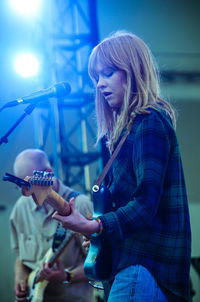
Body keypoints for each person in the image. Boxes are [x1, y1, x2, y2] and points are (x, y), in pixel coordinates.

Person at [52, 31, 191, 302]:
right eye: (96, 78)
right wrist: (98, 231)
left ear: (133, 70)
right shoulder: (130, 130)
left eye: (108, 73)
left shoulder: (148, 122)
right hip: (135, 267)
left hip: (142, 267)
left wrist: (96, 226)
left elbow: (145, 205)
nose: (100, 85)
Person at [9, 148, 94, 302]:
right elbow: (20, 258)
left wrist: (67, 276)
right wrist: (20, 281)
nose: (24, 193)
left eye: (28, 185)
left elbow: (97, 262)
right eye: (20, 186)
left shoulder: (80, 205)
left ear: (48, 172)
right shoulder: (20, 208)